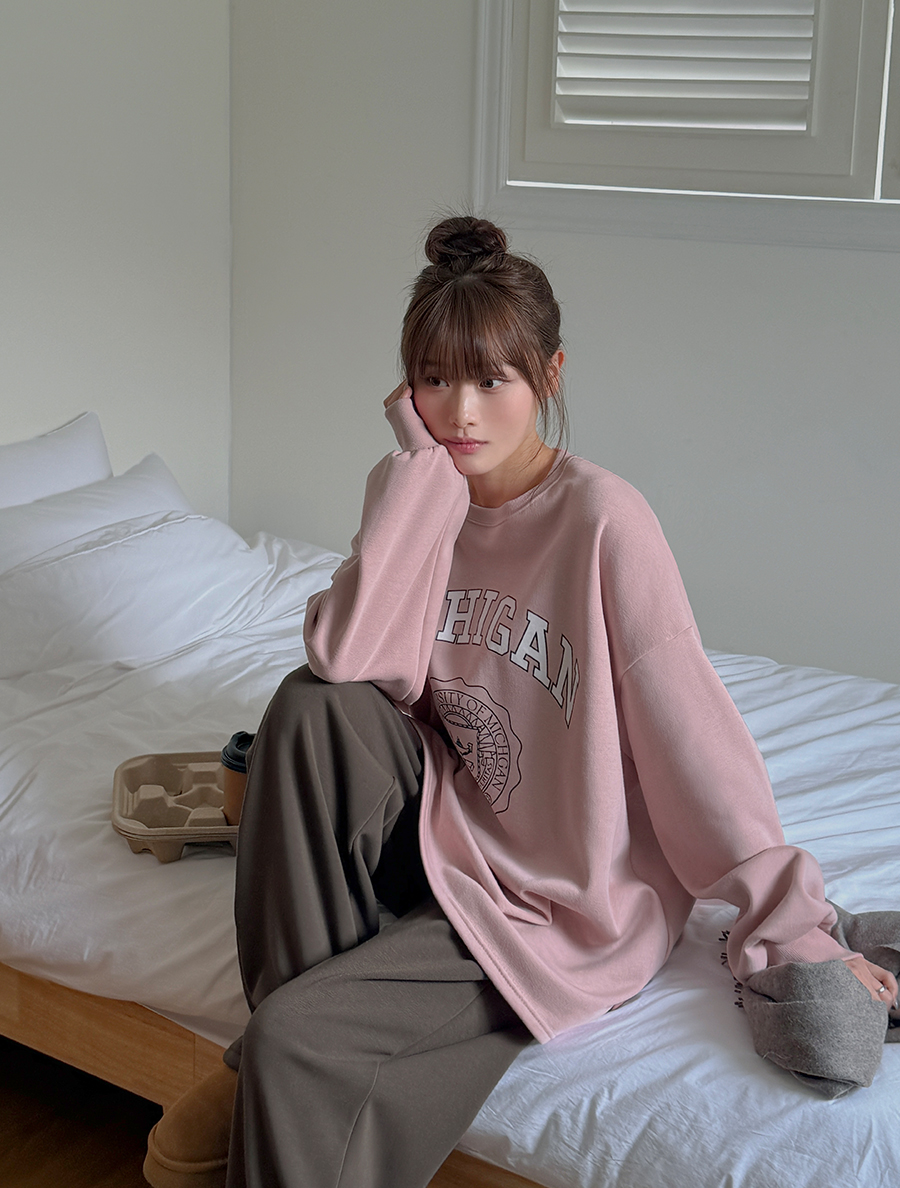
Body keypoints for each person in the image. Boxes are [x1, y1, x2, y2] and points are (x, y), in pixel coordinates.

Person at [144, 216, 898, 1188]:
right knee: (310, 706)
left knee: (296, 1036)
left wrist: (790, 921)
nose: (460, 412)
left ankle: (281, 1051)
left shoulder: (603, 520)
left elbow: (690, 735)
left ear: (548, 376)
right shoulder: (420, 493)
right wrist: (418, 488)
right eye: (433, 380)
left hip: (563, 897)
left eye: (491, 380)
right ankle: (309, 1039)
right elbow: (349, 659)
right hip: (446, 835)